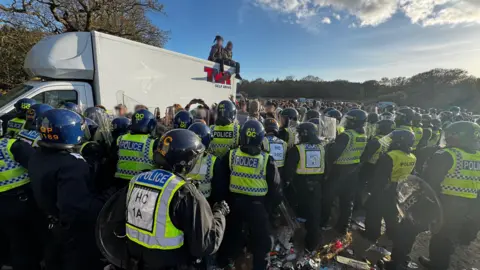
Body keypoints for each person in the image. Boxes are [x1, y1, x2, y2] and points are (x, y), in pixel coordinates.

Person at [117, 129, 230, 269]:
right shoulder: (184, 192)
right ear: (187, 161)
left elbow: (117, 221)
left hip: (134, 262)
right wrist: (219, 214)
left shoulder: (137, 180)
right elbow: (205, 245)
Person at [29, 109, 106, 270]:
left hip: (48, 222)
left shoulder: (37, 155)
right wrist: (104, 203)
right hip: (71, 231)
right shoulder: (72, 164)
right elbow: (75, 206)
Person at [215, 120, 282, 270]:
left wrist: (223, 202)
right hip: (257, 207)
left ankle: (224, 263)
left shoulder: (231, 156)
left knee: (231, 237)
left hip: (234, 205)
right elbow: (276, 189)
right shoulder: (266, 160)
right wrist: (268, 209)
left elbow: (220, 182)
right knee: (262, 243)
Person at [416, 121, 480, 270]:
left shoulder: (447, 154)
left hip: (447, 203)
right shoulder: (477, 156)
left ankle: (437, 265)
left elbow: (429, 182)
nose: (448, 138)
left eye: (451, 135)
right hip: (470, 205)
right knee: (450, 234)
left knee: (440, 238)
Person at [364, 130, 416, 242]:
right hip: (399, 188)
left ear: (398, 142)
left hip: (385, 188)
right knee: (391, 212)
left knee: (374, 211)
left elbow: (380, 176)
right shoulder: (412, 157)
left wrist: (373, 189)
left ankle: (371, 235)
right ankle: (392, 234)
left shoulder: (389, 156)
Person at [321, 109, 368, 233]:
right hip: (353, 171)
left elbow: (333, 154)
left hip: (339, 171)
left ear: (353, 122)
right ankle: (343, 227)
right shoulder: (362, 135)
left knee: (328, 197)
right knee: (347, 201)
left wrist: (328, 146)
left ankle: (323, 222)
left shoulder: (346, 136)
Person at [0, 127, 40, 270]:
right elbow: (38, 167)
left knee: (7, 239)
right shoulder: (12, 145)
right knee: (23, 243)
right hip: (19, 201)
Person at [284, 122, 325, 252]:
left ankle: (291, 238)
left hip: (299, 186)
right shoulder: (322, 148)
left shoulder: (297, 149)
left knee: (293, 214)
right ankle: (311, 244)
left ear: (303, 134)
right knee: (314, 217)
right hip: (317, 186)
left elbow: (288, 170)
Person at [114, 109, 157, 187]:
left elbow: (113, 159)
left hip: (120, 183)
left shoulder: (120, 139)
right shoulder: (153, 142)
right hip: (144, 183)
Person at [186, 122, 219, 200]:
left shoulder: (181, 158)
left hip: (184, 200)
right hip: (206, 201)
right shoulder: (213, 161)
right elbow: (218, 188)